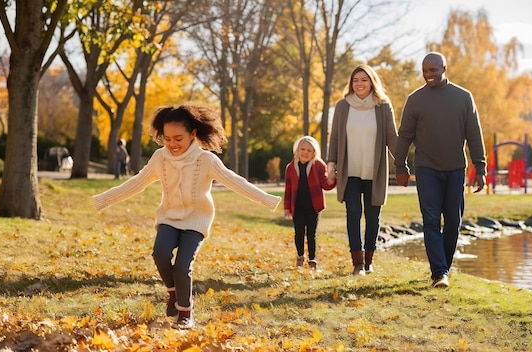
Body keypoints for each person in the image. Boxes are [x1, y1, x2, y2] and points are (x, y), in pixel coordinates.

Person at [92, 104, 281, 329]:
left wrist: (267, 200)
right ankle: (174, 293)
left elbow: (235, 182)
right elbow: (137, 182)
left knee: (182, 266)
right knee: (160, 254)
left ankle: (185, 313)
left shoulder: (206, 160)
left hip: (196, 220)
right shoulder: (160, 158)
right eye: (167, 138)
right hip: (169, 218)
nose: (172, 144)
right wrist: (104, 199)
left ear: (193, 134)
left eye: (178, 138)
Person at [393, 52, 487, 289]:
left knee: (453, 221)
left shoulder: (463, 97)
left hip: (456, 169)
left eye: (433, 70)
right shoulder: (415, 100)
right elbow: (404, 135)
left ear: (444, 67)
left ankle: (443, 267)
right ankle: (439, 273)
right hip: (426, 169)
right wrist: (400, 166)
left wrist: (481, 167)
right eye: (424, 71)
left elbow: (474, 134)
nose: (428, 75)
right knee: (431, 220)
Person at [326, 64, 398, 276]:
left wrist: (402, 161)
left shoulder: (383, 107)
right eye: (355, 80)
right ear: (351, 83)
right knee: (353, 213)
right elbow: (335, 138)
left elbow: (392, 137)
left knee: (373, 216)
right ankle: (357, 264)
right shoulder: (342, 106)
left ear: (372, 82)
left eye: (364, 80)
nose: (359, 84)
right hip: (350, 170)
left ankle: (369, 261)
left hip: (374, 170)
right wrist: (331, 164)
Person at [284, 136, 336, 270]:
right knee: (299, 232)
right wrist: (287, 208)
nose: (305, 152)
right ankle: (300, 256)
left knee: (311, 234)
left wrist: (332, 178)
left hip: (314, 206)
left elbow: (326, 185)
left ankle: (312, 259)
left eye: (309, 150)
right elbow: (288, 190)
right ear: (297, 150)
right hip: (298, 207)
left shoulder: (318, 165)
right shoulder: (290, 167)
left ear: (314, 153)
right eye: (302, 149)